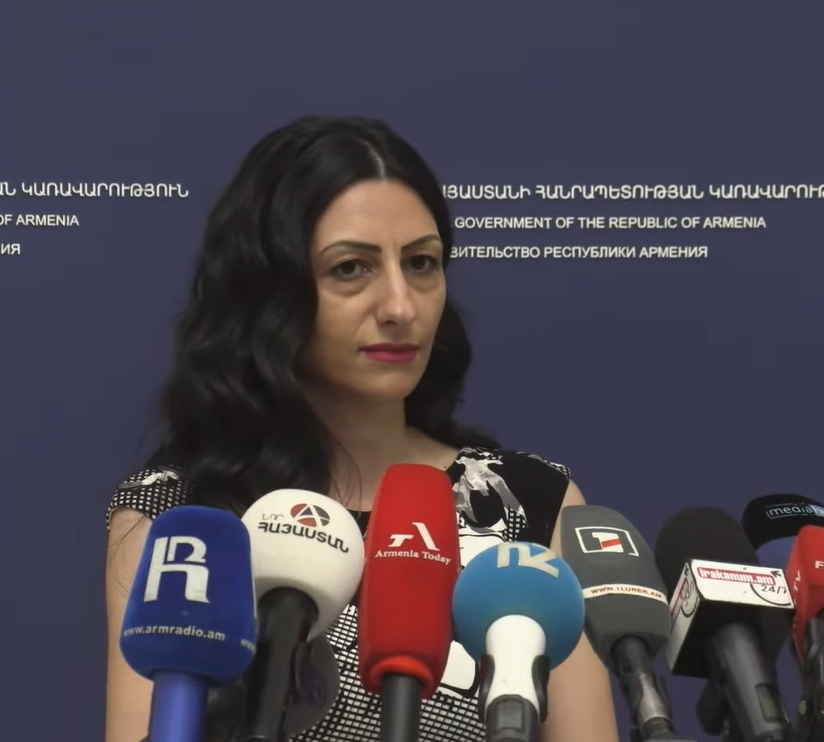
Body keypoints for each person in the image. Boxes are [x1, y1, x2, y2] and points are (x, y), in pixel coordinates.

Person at [105, 115, 620, 742]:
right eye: (351, 268)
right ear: (268, 290)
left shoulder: (530, 507)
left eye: (422, 263)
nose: (401, 306)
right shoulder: (179, 518)